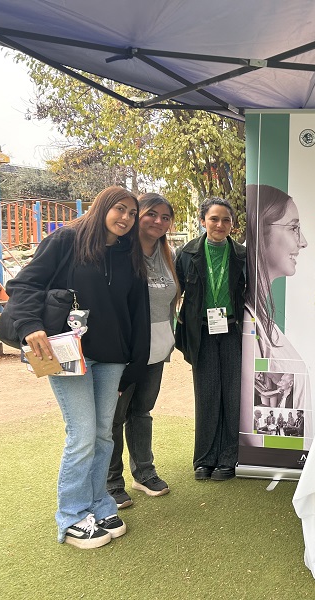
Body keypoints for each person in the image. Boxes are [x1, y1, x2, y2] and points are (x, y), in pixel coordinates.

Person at [6, 186, 149, 548]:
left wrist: (133, 363)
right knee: (83, 433)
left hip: (112, 356)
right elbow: (24, 284)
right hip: (67, 352)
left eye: (132, 214)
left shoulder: (128, 253)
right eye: (120, 209)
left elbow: (137, 312)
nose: (126, 218)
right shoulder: (66, 240)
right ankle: (71, 516)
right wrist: (28, 326)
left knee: (103, 433)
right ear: (102, 207)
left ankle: (98, 502)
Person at [107, 193, 179, 508]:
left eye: (165, 217)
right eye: (151, 214)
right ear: (139, 216)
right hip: (125, 349)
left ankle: (144, 473)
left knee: (142, 411)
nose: (158, 222)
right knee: (114, 417)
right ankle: (111, 482)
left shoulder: (169, 254)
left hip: (158, 348)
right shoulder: (121, 252)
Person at [175, 197, 246, 481]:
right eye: (214, 219)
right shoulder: (186, 253)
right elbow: (176, 292)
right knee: (206, 394)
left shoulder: (241, 255)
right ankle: (204, 459)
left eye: (226, 220)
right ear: (203, 221)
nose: (219, 225)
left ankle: (229, 458)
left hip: (232, 330)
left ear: (232, 224)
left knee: (232, 393)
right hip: (201, 331)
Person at [241, 184, 311, 437]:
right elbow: (251, 434)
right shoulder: (248, 321)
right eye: (294, 228)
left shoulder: (260, 317)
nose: (303, 242)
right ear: (259, 230)